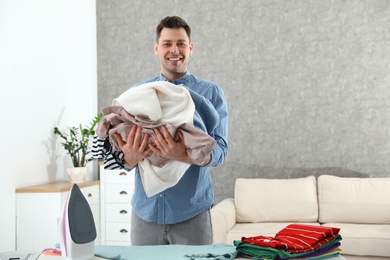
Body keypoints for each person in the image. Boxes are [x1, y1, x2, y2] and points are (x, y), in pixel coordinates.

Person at [93, 16, 228, 245]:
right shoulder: (138, 94)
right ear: (156, 49)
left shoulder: (211, 93)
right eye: (167, 43)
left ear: (190, 48)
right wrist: (129, 157)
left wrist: (183, 155)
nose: (174, 50)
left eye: (181, 43)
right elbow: (120, 154)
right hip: (146, 213)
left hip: (192, 213)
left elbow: (221, 151)